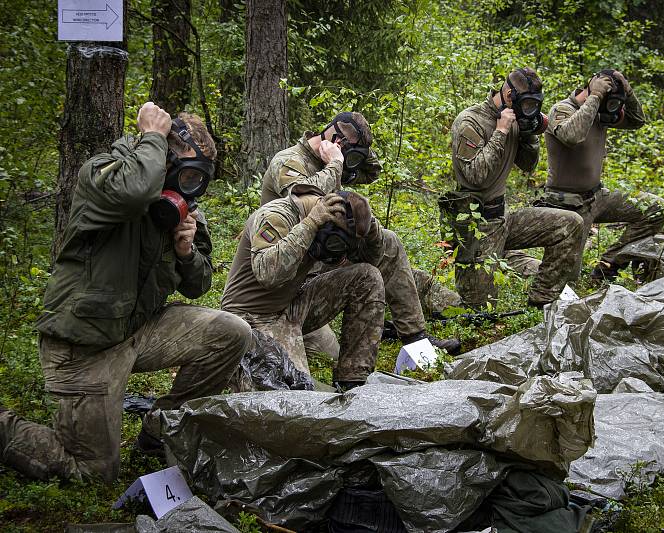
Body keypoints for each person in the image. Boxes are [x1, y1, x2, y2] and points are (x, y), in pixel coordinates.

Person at [0, 103, 251, 483]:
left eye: (197, 179)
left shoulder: (174, 206)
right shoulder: (104, 174)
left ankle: (159, 428)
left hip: (136, 330)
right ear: (160, 156)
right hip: (84, 346)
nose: (188, 188)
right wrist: (152, 134)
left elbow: (198, 284)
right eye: (184, 174)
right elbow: (134, 192)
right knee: (93, 473)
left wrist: (185, 251)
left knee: (231, 332)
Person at [258, 112, 459, 356]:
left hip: (328, 256)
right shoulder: (289, 161)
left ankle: (416, 340)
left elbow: (372, 172)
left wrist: (357, 149)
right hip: (296, 273)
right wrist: (336, 164)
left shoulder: (333, 157)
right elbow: (304, 198)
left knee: (388, 242)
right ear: (334, 138)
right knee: (328, 356)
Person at [222, 189, 445, 389]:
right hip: (250, 317)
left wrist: (368, 225)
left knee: (367, 276)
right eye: (337, 246)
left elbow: (376, 256)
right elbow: (268, 275)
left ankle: (353, 381)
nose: (340, 256)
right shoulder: (276, 217)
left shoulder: (336, 213)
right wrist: (310, 225)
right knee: (293, 394)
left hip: (292, 307)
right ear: (325, 228)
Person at [442, 67, 584, 309]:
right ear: (509, 94)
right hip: (474, 225)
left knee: (571, 224)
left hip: (502, 219)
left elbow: (528, 165)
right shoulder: (470, 121)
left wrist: (529, 134)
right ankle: (499, 257)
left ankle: (542, 301)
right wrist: (501, 131)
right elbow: (476, 176)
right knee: (480, 309)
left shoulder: (517, 118)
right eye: (526, 104)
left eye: (533, 105)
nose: (528, 109)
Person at [543, 69, 664, 280]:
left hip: (597, 197)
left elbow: (637, 121)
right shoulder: (562, 109)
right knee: (566, 279)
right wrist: (595, 96)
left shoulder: (602, 113)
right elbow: (573, 136)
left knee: (655, 208)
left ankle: (609, 264)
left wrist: (628, 92)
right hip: (567, 205)